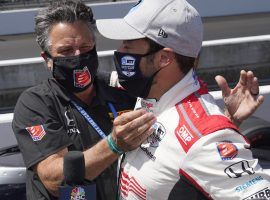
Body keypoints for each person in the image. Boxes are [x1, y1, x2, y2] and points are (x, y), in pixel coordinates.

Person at [96, 0, 269, 199]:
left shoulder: (207, 139)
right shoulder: (152, 93)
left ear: (163, 58)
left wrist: (215, 128)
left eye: (128, 45)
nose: (120, 51)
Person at [12, 1, 156, 199]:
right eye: (66, 51)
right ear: (47, 59)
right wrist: (114, 145)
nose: (78, 56)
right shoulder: (35, 103)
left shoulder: (122, 92)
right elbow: (53, 179)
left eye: (85, 47)